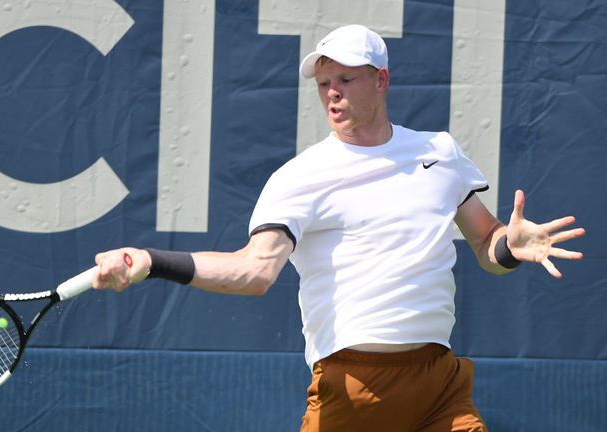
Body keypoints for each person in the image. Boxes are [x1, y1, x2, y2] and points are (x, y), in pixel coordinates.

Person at [90, 25, 585, 431]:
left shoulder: (439, 152)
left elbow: (485, 240)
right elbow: (254, 270)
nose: (332, 92)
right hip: (354, 389)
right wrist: (152, 262)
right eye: (324, 83)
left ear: (382, 80)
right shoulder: (301, 177)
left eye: (346, 79)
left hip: (441, 388)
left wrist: (508, 247)